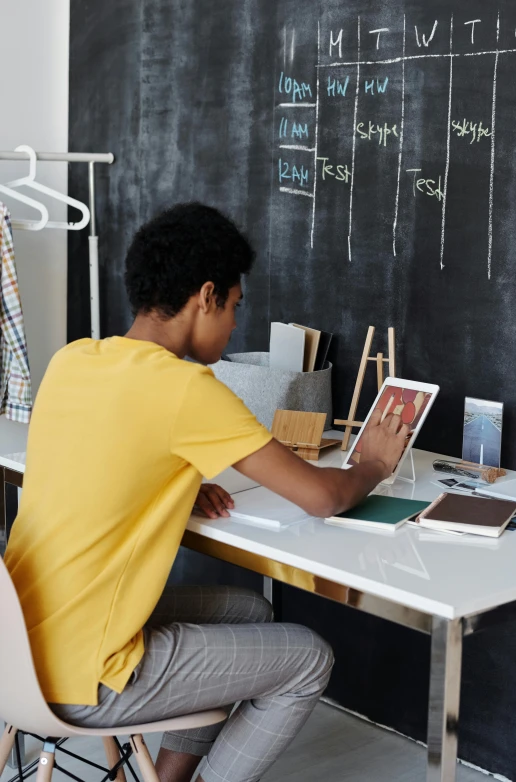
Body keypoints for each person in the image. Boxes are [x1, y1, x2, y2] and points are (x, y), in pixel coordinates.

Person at [5, 203, 408, 782]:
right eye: (236, 307)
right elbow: (322, 497)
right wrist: (371, 464)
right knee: (309, 658)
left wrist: (169, 478)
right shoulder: (186, 388)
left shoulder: (75, 359)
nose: (236, 326)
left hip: (19, 641)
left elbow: (92, 458)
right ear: (207, 295)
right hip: (84, 674)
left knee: (251, 609)